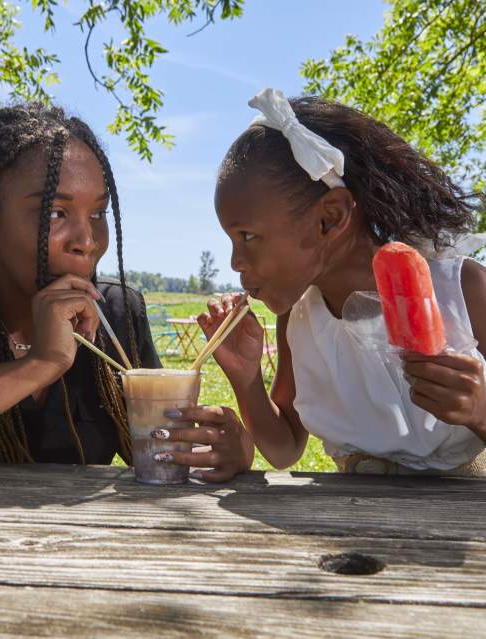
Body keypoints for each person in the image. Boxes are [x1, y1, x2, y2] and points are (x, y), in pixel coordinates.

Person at [0, 103, 252, 479]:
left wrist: (219, 449)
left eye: (98, 214)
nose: (87, 241)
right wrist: (38, 365)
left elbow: (155, 448)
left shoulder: (115, 313)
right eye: (55, 213)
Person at [193, 87, 486, 476]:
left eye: (247, 236)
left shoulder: (462, 291)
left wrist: (481, 410)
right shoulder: (300, 318)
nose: (235, 262)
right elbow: (284, 450)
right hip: (344, 519)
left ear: (329, 218)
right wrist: (247, 380)